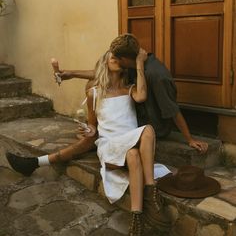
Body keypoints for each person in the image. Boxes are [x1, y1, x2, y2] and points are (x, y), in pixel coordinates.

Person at [6, 49, 171, 236]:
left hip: (129, 146)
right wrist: (88, 129)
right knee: (146, 130)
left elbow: (142, 95)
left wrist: (138, 62)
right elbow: (93, 127)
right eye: (112, 57)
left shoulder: (130, 90)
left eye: (119, 58)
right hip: (109, 146)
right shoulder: (94, 93)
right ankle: (151, 193)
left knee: (135, 151)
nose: (117, 59)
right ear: (105, 63)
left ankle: (136, 222)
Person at [58, 33, 208, 153]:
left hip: (152, 124)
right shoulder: (131, 63)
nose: (113, 61)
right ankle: (95, 133)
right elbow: (103, 74)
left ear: (123, 59)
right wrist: (71, 74)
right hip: (135, 115)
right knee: (93, 85)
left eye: (115, 59)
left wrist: (189, 139)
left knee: (94, 135)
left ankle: (95, 136)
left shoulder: (156, 75)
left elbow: (172, 109)